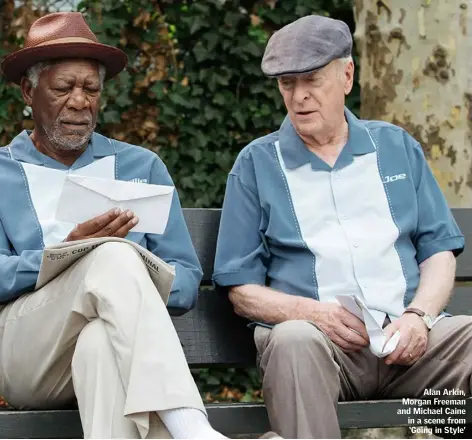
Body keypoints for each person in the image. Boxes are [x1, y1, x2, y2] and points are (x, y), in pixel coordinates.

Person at [0, 12, 281, 440]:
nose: (80, 101)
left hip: (113, 346)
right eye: (63, 88)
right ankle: (192, 428)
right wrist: (69, 256)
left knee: (99, 341)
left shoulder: (141, 167)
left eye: (91, 89)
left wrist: (132, 270)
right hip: (27, 355)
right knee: (108, 253)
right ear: (28, 91)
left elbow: (186, 281)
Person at [213, 14, 472, 439]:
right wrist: (312, 314)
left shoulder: (395, 147)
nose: (299, 97)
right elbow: (240, 290)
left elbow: (438, 251)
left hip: (411, 346)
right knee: (294, 340)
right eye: (286, 84)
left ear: (347, 75)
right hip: (322, 351)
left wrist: (419, 316)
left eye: (312, 79)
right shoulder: (257, 164)